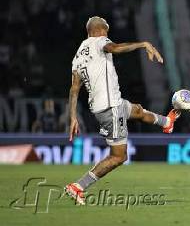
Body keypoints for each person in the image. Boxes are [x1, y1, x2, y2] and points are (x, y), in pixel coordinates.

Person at [65, 16, 180, 205]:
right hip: (111, 108)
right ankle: (78, 186)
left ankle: (167, 123)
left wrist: (73, 116)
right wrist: (144, 44)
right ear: (102, 30)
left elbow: (74, 88)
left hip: (108, 105)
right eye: (107, 31)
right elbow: (115, 48)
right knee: (119, 156)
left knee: (137, 111)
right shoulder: (100, 40)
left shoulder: (78, 55)